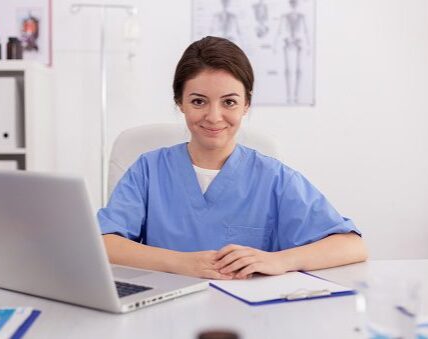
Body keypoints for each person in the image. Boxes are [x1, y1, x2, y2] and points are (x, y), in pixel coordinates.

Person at [98, 36, 367, 280]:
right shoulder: (149, 170)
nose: (214, 117)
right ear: (180, 102)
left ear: (246, 105)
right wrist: (181, 263)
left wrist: (279, 260)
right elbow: (104, 242)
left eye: (229, 102)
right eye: (198, 101)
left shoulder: (273, 177)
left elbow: (351, 245)